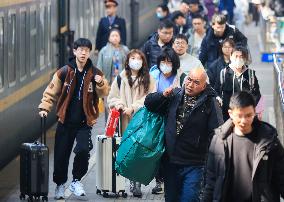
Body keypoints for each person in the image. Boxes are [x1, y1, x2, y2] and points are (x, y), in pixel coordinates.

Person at [38, 38, 109, 200]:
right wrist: (44, 107)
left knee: (84, 150)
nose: (83, 53)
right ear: (75, 51)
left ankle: (76, 181)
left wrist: (101, 84)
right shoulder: (64, 71)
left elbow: (105, 92)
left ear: (89, 53)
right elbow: (50, 92)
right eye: (80, 50)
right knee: (61, 155)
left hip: (84, 122)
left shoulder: (95, 73)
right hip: (65, 121)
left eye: (86, 50)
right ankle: (60, 185)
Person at [145, 67, 224, 202]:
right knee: (171, 198)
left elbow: (218, 132)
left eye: (196, 82)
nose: (190, 84)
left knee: (190, 198)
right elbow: (149, 104)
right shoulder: (174, 94)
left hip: (195, 163)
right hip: (171, 161)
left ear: (204, 85)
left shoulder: (211, 103)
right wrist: (163, 95)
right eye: (189, 79)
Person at [202, 91, 284, 202]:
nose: (243, 121)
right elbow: (211, 181)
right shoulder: (219, 141)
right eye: (239, 116)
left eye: (249, 115)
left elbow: (281, 176)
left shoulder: (269, 141)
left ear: (255, 112)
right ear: (230, 113)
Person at [107, 49, 156, 198]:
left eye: (139, 58)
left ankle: (136, 183)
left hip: (141, 121)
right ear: (127, 61)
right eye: (133, 58)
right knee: (127, 152)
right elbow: (111, 97)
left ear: (143, 62)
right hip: (125, 122)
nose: (136, 61)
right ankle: (128, 181)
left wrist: (133, 107)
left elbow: (151, 97)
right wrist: (120, 104)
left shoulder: (149, 78)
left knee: (139, 152)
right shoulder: (120, 78)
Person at [214, 46, 261, 121]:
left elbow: (257, 94)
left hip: (245, 115)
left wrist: (256, 110)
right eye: (236, 56)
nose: (238, 59)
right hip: (227, 115)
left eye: (241, 56)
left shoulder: (250, 74)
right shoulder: (223, 73)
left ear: (245, 58)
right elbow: (216, 91)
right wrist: (219, 100)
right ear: (231, 57)